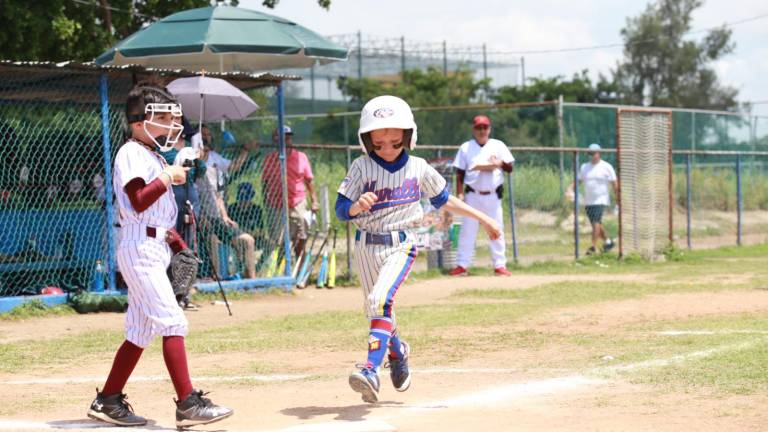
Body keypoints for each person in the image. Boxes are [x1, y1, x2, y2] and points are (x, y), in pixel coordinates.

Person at [335, 95, 502, 403]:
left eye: (395, 142)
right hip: (366, 247)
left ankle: (371, 370)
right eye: (379, 142)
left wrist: (483, 217)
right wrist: (356, 207)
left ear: (408, 137)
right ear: (366, 140)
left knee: (380, 299)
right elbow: (340, 208)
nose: (386, 148)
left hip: (401, 243)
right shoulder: (360, 167)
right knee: (378, 308)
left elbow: (445, 200)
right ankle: (397, 352)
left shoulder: (418, 167)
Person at [87, 81, 233, 428]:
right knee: (173, 321)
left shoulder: (150, 154)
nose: (172, 126)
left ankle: (108, 400)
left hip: (152, 246)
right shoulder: (131, 152)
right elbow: (138, 201)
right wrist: (167, 176)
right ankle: (188, 404)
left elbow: (158, 215)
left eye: (172, 119)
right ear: (139, 122)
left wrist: (177, 243)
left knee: (139, 331)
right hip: (139, 249)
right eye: (163, 119)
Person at [449, 115, 514, 277]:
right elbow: (460, 172)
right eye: (479, 128)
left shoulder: (498, 145)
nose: (482, 131)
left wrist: (500, 163)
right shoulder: (466, 147)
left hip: (493, 195)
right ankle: (462, 265)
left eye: (485, 127)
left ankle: (499, 265)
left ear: (489, 129)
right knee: (467, 230)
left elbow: (510, 168)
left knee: (496, 228)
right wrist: (460, 192)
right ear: (474, 129)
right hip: (473, 195)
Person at [197, 138, 257, 279]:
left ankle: (251, 280)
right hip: (201, 218)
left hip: (217, 218)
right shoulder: (191, 169)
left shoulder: (213, 167)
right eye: (201, 150)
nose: (204, 154)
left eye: (206, 150)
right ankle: (215, 278)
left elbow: (218, 197)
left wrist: (224, 216)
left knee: (247, 240)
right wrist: (201, 217)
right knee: (211, 238)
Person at [262, 125, 318, 259]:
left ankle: (300, 268)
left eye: (288, 138)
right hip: (275, 205)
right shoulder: (269, 159)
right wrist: (266, 204)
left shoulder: (301, 157)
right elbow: (264, 183)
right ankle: (282, 271)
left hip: (297, 202)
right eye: (282, 138)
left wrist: (314, 201)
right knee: (278, 240)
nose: (286, 141)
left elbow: (309, 181)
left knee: (300, 237)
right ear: (275, 140)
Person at [571, 143, 619, 255]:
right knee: (596, 224)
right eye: (590, 153)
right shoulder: (584, 167)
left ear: (599, 153)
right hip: (589, 201)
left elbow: (614, 183)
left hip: (601, 200)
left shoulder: (606, 167)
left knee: (596, 222)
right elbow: (578, 181)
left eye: (593, 153)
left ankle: (593, 246)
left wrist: (618, 198)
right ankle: (608, 241)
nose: (591, 155)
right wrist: (570, 188)